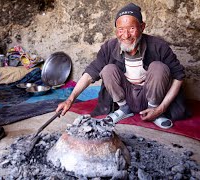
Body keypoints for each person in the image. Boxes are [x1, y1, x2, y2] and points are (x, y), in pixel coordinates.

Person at [56, 3, 190, 129]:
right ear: (116, 31)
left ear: (142, 27)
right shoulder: (109, 47)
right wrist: (70, 99)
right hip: (127, 97)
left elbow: (178, 76)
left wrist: (160, 108)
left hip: (154, 98)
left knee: (158, 67)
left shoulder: (158, 46)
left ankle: (154, 113)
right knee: (108, 69)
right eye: (121, 30)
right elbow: (90, 73)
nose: (126, 35)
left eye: (132, 29)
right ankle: (124, 110)